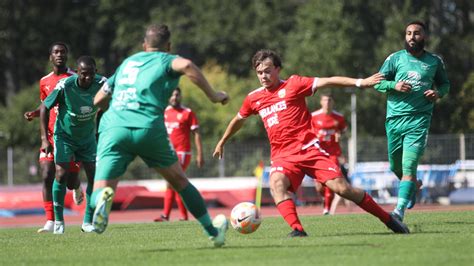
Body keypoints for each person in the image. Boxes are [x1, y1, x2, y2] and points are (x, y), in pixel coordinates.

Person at [213, 49, 410, 237]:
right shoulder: (253, 98)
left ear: (277, 69)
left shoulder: (294, 84)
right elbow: (239, 119)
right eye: (259, 72)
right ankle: (298, 230)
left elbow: (329, 81)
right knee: (276, 184)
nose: (263, 76)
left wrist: (361, 82)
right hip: (283, 156)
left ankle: (389, 220)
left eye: (267, 71)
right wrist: (223, 140)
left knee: (343, 189)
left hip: (309, 151)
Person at [91, 24, 230, 247]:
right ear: (168, 46)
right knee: (179, 181)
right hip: (147, 127)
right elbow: (186, 64)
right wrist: (214, 96)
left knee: (100, 188)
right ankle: (213, 233)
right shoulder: (166, 60)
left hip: (113, 128)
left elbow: (98, 100)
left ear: (144, 45)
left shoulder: (127, 63)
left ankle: (102, 200)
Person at [374, 21, 450, 222]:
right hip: (394, 119)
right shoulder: (395, 58)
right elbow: (377, 83)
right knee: (395, 166)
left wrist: (437, 93)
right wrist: (394, 85)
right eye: (408, 33)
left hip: (419, 120)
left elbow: (445, 84)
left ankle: (398, 211)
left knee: (409, 166)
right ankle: (413, 185)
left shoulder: (434, 61)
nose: (411, 37)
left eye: (416, 33)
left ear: (424, 37)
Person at [40, 56, 106, 234]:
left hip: (87, 138)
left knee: (93, 176)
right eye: (84, 74)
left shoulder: (102, 84)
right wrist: (44, 139)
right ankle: (59, 222)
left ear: (96, 73)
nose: (87, 78)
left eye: (91, 74)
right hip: (64, 136)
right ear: (77, 72)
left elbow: (110, 106)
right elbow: (44, 108)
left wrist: (101, 131)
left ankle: (87, 222)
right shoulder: (65, 86)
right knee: (61, 175)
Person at [23, 42, 84, 233]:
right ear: (50, 57)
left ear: (67, 56)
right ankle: (50, 221)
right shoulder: (44, 81)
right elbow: (46, 106)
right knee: (47, 175)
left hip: (69, 136)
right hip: (50, 136)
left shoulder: (75, 78)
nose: (60, 55)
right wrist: (35, 113)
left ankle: (77, 186)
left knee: (69, 180)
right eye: (56, 52)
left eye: (63, 52)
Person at [154, 87, 204, 222]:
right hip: (168, 153)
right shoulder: (164, 112)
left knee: (172, 181)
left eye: (177, 95)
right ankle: (183, 216)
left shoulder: (187, 112)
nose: (174, 97)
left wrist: (200, 154)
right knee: (175, 183)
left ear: (180, 96)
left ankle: (167, 215)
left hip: (182, 153)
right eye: (172, 95)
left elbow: (197, 134)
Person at [310, 93, 348, 215]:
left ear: (333, 102)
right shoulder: (314, 116)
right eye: (325, 100)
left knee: (330, 180)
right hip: (318, 153)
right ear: (321, 102)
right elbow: (308, 132)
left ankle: (326, 209)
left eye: (329, 100)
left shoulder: (339, 118)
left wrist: (339, 135)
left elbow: (343, 131)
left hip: (333, 153)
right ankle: (325, 199)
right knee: (319, 186)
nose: (327, 103)